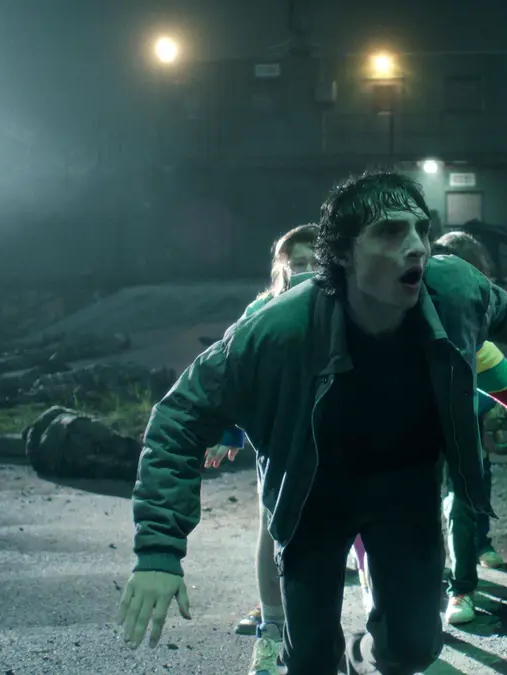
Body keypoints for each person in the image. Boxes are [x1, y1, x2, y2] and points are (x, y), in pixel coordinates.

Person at [116, 170, 507, 675]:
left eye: (421, 229)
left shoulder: (455, 287)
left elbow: (499, 310)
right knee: (310, 658)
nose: (416, 246)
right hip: (312, 494)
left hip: (405, 487)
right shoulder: (278, 328)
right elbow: (179, 416)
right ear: (343, 254)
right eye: (391, 232)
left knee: (413, 648)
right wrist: (159, 553)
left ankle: (363, 657)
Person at [199, 224, 317, 660]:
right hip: (277, 443)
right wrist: (229, 430)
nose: (307, 269)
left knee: (358, 540)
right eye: (298, 262)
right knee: (272, 530)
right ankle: (270, 634)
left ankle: (382, 631)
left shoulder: (347, 307)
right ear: (282, 268)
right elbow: (235, 371)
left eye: (316, 261)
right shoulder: (262, 309)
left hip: (338, 443)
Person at [430, 231, 507, 625]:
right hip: (414, 438)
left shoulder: (479, 347)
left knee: (462, 504)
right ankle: (437, 588)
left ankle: (460, 587)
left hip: (459, 436)